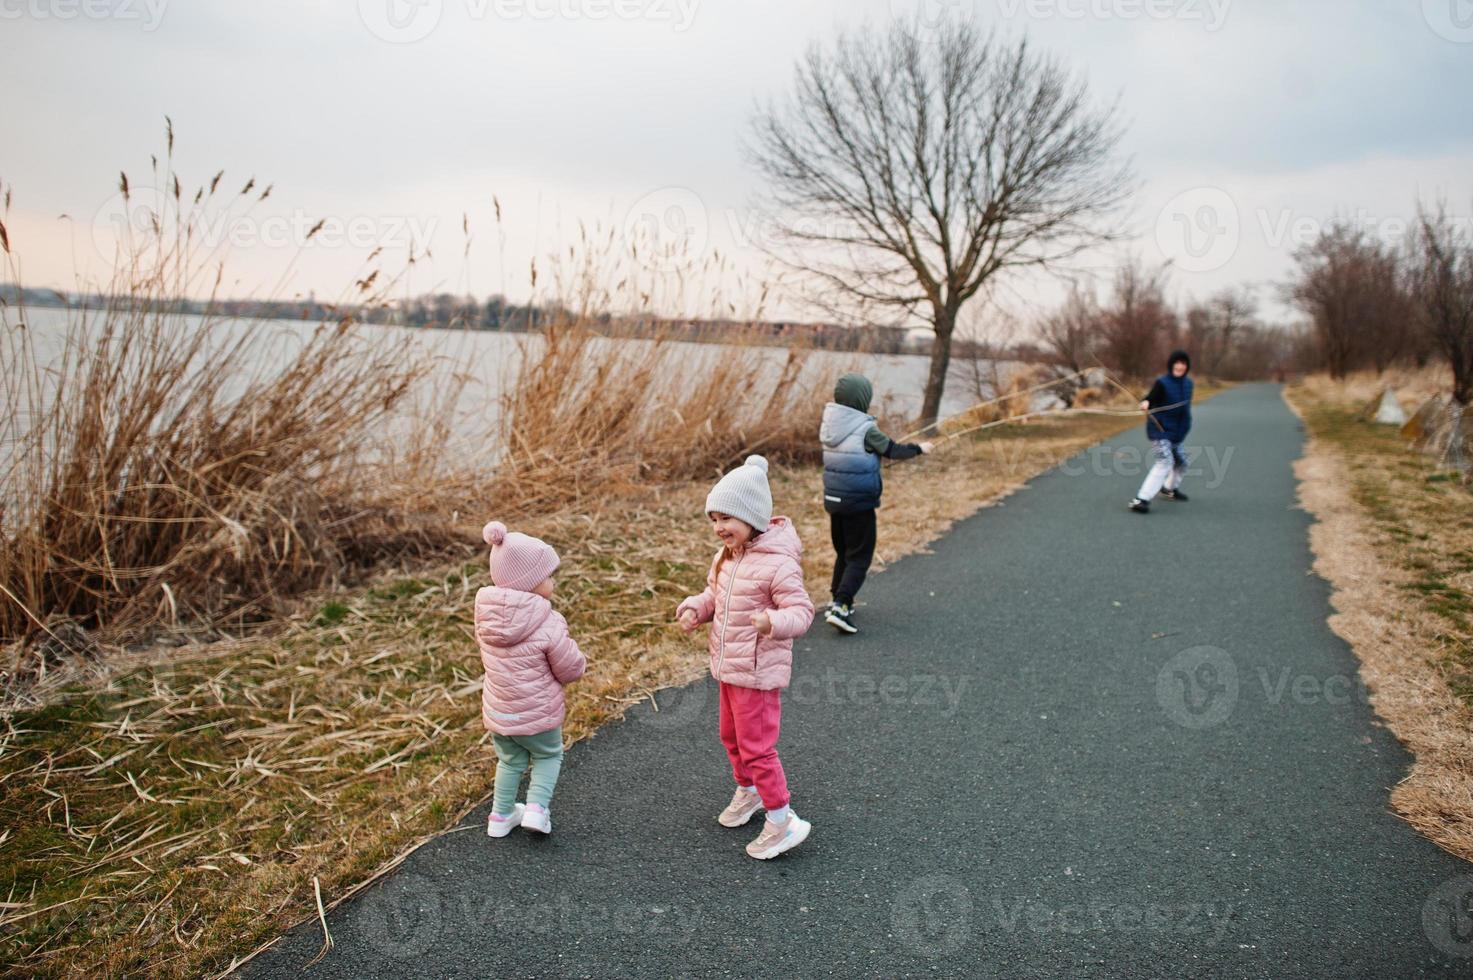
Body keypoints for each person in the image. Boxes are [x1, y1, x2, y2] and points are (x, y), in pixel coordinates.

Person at [677, 455, 816, 860]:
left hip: (757, 672)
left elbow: (802, 612)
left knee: (757, 747)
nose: (720, 527)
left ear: (753, 517)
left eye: (728, 518)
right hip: (728, 667)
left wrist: (773, 621)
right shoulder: (725, 559)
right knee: (731, 737)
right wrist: (696, 609)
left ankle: (782, 818)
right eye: (714, 519)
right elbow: (713, 597)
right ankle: (750, 791)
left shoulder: (779, 565)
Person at [475, 521, 587, 838]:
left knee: (509, 762)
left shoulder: (486, 617)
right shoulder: (548, 622)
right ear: (530, 583)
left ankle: (500, 816)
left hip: (500, 713)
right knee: (548, 755)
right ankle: (537, 810)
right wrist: (581, 663)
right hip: (537, 714)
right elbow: (568, 668)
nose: (552, 581)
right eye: (548, 576)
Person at [819, 373, 932, 634]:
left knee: (844, 552)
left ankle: (835, 598)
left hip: (834, 501)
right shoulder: (865, 428)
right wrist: (920, 449)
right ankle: (841, 605)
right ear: (862, 399)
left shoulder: (830, 424)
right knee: (860, 556)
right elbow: (893, 450)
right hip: (859, 504)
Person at [1129, 350, 1195, 514]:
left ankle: (1169, 489)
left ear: (1186, 366)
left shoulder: (1189, 384)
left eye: (1183, 363)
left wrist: (1185, 427)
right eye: (1177, 362)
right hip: (1160, 431)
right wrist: (1146, 402)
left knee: (1182, 462)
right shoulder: (1162, 383)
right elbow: (1151, 397)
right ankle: (1141, 499)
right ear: (1172, 364)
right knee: (1165, 462)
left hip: (1177, 433)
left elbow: (1186, 408)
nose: (1180, 366)